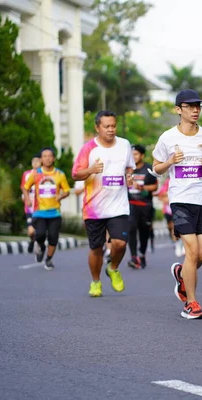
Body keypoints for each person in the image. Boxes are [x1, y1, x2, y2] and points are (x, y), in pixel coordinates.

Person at [152, 89, 202, 320]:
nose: (195, 110)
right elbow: (157, 167)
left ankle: (181, 274)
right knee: (191, 252)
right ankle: (191, 303)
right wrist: (170, 161)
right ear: (179, 109)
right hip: (180, 200)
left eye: (198, 106)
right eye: (190, 106)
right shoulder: (168, 138)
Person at [72, 110, 135, 297]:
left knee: (120, 244)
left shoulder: (124, 144)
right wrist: (91, 169)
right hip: (94, 209)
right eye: (106, 126)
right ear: (97, 127)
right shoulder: (88, 148)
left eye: (113, 126)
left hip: (119, 205)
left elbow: (129, 166)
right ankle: (95, 282)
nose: (111, 130)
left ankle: (113, 268)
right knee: (96, 248)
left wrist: (129, 175)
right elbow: (76, 174)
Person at [22, 148, 70, 270]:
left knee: (53, 237)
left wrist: (61, 195)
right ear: (41, 159)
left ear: (53, 158)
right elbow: (25, 187)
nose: (47, 158)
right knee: (40, 235)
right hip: (39, 211)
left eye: (50, 156)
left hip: (55, 212)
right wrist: (27, 199)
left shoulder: (60, 174)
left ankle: (48, 259)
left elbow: (67, 190)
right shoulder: (36, 173)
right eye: (45, 156)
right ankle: (42, 247)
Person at [127, 144, 158, 269]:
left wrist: (142, 187)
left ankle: (142, 254)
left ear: (142, 155)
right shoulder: (127, 169)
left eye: (136, 154)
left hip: (145, 206)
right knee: (131, 228)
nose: (133, 157)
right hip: (130, 205)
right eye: (131, 154)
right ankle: (134, 257)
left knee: (144, 231)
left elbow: (155, 187)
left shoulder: (149, 169)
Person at [21, 155, 41, 253]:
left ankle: (38, 243)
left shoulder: (43, 174)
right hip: (29, 206)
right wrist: (25, 198)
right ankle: (32, 240)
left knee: (39, 229)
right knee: (31, 230)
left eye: (37, 161)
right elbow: (24, 187)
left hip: (40, 206)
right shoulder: (26, 174)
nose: (35, 163)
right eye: (33, 161)